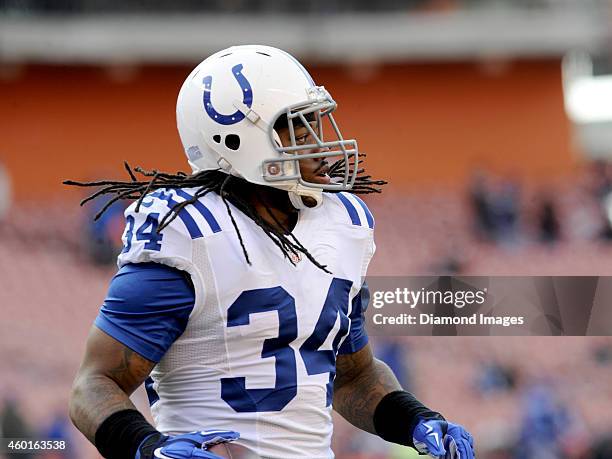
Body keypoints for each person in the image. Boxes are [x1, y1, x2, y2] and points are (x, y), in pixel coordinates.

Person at [66, 45, 475, 459]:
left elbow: (353, 377)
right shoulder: (189, 233)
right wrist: (147, 447)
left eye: (315, 121)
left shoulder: (342, 223)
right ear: (235, 139)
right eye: (297, 128)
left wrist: (416, 420)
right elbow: (94, 384)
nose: (318, 142)